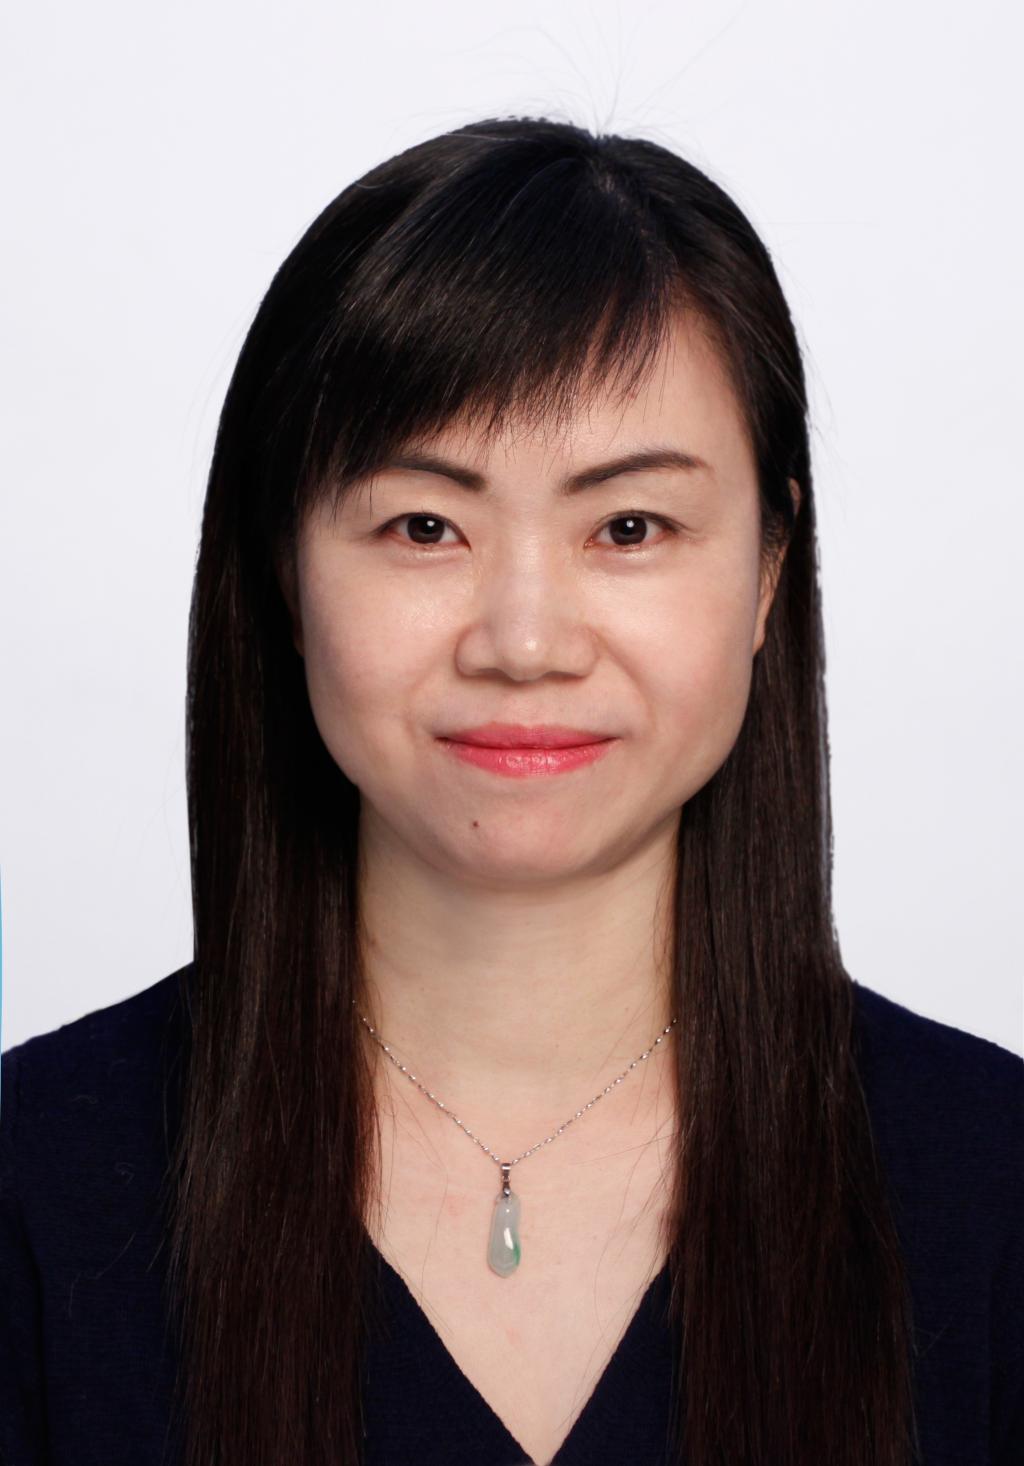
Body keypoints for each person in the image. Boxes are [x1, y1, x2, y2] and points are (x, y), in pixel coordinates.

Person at [1, 115, 1021, 1466]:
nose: (526, 641)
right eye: (425, 526)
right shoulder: (34, 1186)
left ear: (769, 570)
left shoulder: (994, 1189)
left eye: (630, 527)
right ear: (286, 574)